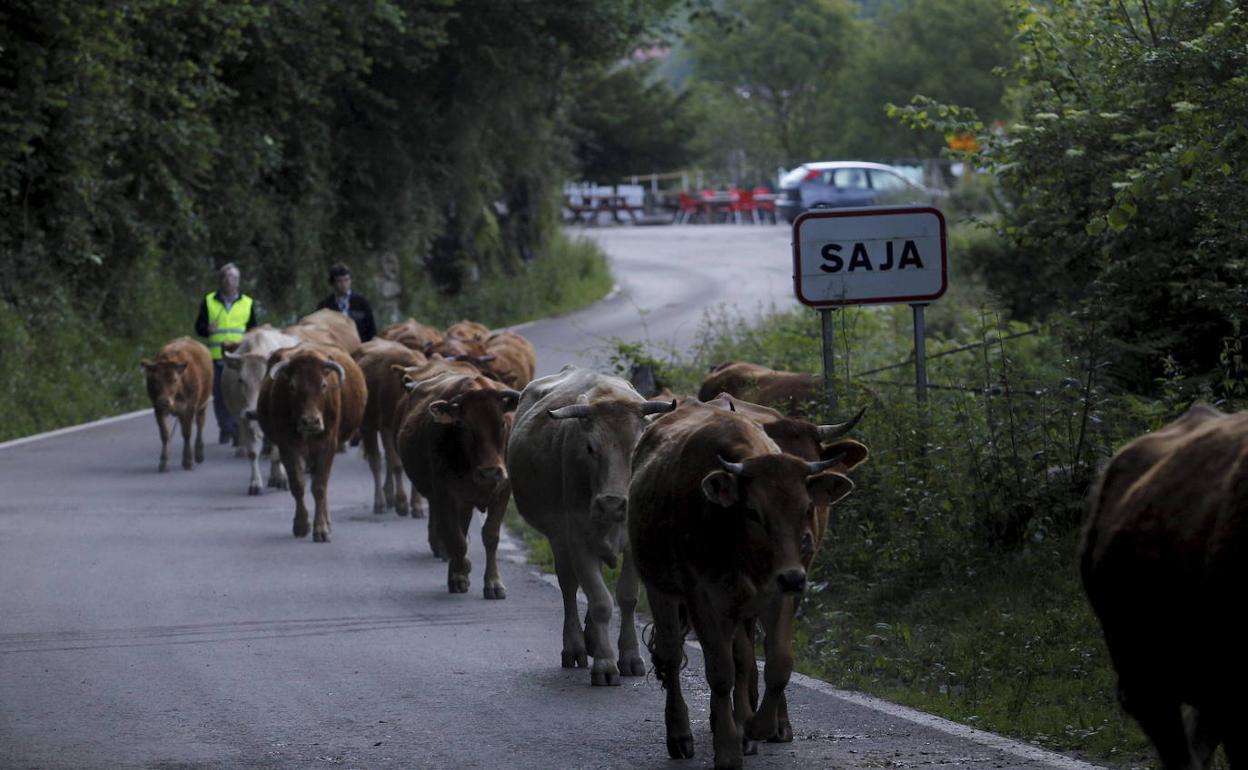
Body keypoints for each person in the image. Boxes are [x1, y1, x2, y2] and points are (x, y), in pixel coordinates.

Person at [194, 262, 257, 444]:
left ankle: (238, 429)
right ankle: (226, 427)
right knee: (220, 396)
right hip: (217, 357)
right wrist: (207, 329)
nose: (230, 281)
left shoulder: (247, 303)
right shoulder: (209, 301)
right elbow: (198, 327)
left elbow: (254, 328)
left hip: (240, 356)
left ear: (238, 281)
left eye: (234, 277)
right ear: (220, 280)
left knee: (241, 393)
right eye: (226, 277)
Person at [315, 263, 376, 342]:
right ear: (332, 283)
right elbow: (319, 331)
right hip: (335, 348)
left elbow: (371, 329)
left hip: (360, 347)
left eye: (346, 280)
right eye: (339, 281)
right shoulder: (325, 306)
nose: (344, 285)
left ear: (351, 280)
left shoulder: (362, 302)